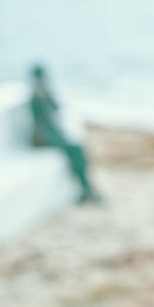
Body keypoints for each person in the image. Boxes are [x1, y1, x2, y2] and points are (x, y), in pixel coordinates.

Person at [29, 64, 99, 203]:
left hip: (54, 133)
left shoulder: (46, 94)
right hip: (45, 136)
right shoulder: (35, 98)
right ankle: (86, 189)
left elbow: (57, 109)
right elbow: (40, 120)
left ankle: (86, 188)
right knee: (74, 150)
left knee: (77, 150)